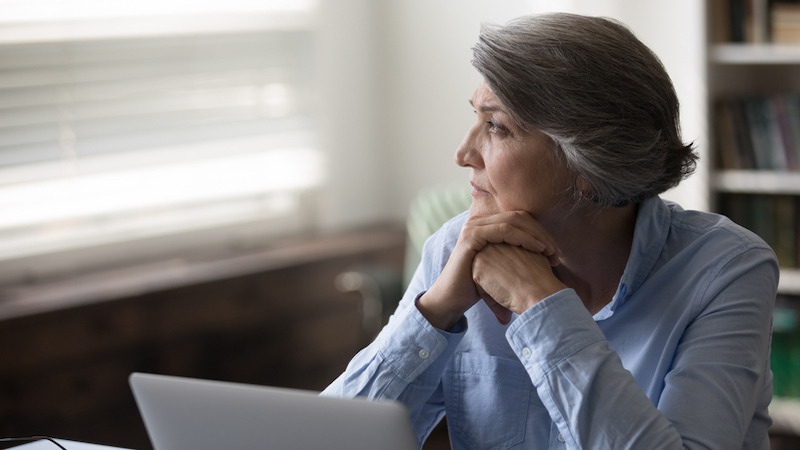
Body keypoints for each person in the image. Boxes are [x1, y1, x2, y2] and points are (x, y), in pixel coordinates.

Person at [322, 12, 778, 450]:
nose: (463, 152)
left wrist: (540, 304)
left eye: (496, 126)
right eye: (474, 118)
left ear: (589, 164)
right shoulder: (457, 250)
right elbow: (321, 440)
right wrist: (435, 311)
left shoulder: (727, 270)